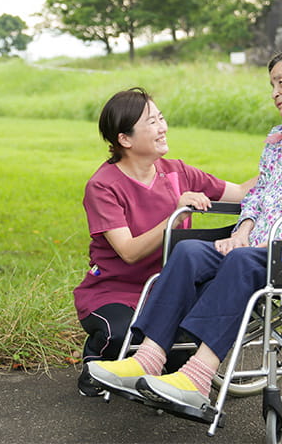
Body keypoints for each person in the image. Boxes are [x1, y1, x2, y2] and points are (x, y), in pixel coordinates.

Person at [86, 49, 282, 414]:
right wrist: (244, 229)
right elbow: (257, 196)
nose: (274, 92)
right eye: (272, 84)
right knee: (189, 252)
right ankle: (148, 359)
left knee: (241, 260)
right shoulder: (279, 137)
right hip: (258, 245)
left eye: (280, 82)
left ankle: (198, 376)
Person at [74, 87, 256, 396]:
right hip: (116, 289)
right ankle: (97, 356)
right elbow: (129, 252)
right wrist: (176, 210)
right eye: (152, 122)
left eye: (162, 118)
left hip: (172, 287)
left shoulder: (178, 172)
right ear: (125, 139)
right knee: (123, 338)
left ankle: (154, 367)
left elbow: (239, 192)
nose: (163, 128)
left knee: (178, 350)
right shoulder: (103, 186)